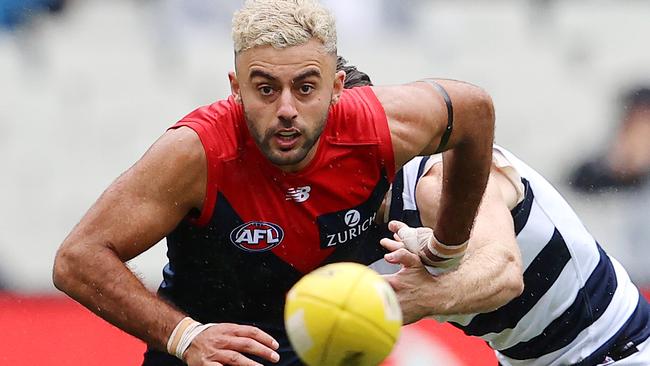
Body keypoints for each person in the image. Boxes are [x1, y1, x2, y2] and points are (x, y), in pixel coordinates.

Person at [51, 1, 496, 365]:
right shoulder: (197, 154)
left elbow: (474, 110)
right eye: (265, 88)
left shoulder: (379, 129)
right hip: (212, 354)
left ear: (338, 86)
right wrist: (186, 336)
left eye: (305, 88)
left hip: (323, 348)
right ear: (235, 87)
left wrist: (446, 250)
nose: (286, 108)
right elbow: (77, 259)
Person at [365, 100, 650, 363]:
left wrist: (425, 296)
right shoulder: (336, 217)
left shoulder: (437, 182)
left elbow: (505, 274)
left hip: (614, 349)